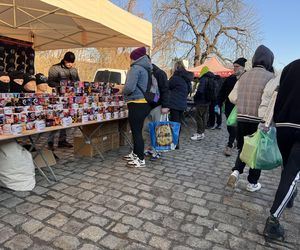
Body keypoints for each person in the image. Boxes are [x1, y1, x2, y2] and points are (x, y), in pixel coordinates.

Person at [227, 45, 274, 192]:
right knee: (257, 152)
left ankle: (235, 172)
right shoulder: (270, 78)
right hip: (259, 120)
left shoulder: (243, 76)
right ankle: (252, 183)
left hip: (242, 118)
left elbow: (232, 97)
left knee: (243, 147)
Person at [263, 59, 300, 241]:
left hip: (284, 125)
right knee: (291, 174)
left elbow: (277, 95)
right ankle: (273, 222)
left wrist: (271, 121)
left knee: (287, 169)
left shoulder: (290, 67)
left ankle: (290, 195)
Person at [122, 47, 152, 168]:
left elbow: (129, 88)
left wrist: (122, 91)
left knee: (136, 132)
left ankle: (140, 159)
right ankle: (135, 154)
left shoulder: (135, 69)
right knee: (137, 131)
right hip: (146, 103)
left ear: (135, 58)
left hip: (136, 103)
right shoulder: (147, 69)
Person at [47, 51, 80, 150]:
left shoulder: (74, 70)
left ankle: (62, 140)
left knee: (66, 118)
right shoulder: (55, 68)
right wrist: (62, 85)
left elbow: (78, 82)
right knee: (55, 118)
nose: (70, 64)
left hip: (69, 98)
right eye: (68, 62)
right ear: (64, 60)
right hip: (57, 97)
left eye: (72, 62)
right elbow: (49, 82)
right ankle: (50, 142)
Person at [218, 57, 247, 156]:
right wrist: (219, 103)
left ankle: (230, 145)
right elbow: (222, 92)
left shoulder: (247, 78)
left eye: (237, 66)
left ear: (242, 67)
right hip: (229, 107)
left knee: (236, 127)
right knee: (230, 125)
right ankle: (234, 141)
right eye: (234, 66)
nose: (234, 68)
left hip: (242, 108)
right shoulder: (230, 78)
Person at [144, 58, 169, 161]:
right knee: (147, 129)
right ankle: (149, 148)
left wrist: (165, 106)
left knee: (159, 130)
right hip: (148, 106)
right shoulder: (145, 73)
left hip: (158, 106)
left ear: (149, 62)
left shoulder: (160, 73)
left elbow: (165, 90)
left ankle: (157, 151)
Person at [168, 60, 193, 149]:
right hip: (182, 104)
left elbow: (167, 87)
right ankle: (176, 141)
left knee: (174, 123)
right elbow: (190, 90)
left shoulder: (175, 78)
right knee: (178, 123)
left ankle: (175, 142)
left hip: (174, 104)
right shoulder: (187, 79)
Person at [191, 66, 216, 141]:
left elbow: (200, 91)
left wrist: (195, 97)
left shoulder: (203, 79)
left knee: (198, 117)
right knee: (204, 117)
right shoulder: (212, 78)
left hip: (201, 101)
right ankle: (202, 133)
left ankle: (199, 133)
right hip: (208, 101)